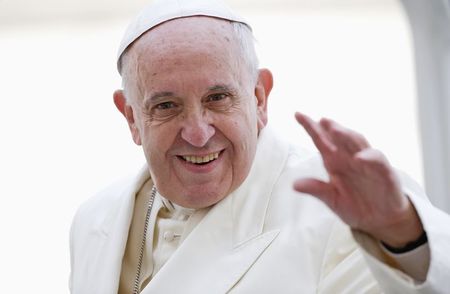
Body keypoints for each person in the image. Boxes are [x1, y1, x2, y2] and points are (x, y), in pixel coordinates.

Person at [69, 0, 450, 293]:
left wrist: (402, 236)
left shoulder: (343, 213)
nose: (198, 133)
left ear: (259, 98)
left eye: (218, 98)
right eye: (166, 106)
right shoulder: (94, 220)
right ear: (131, 117)